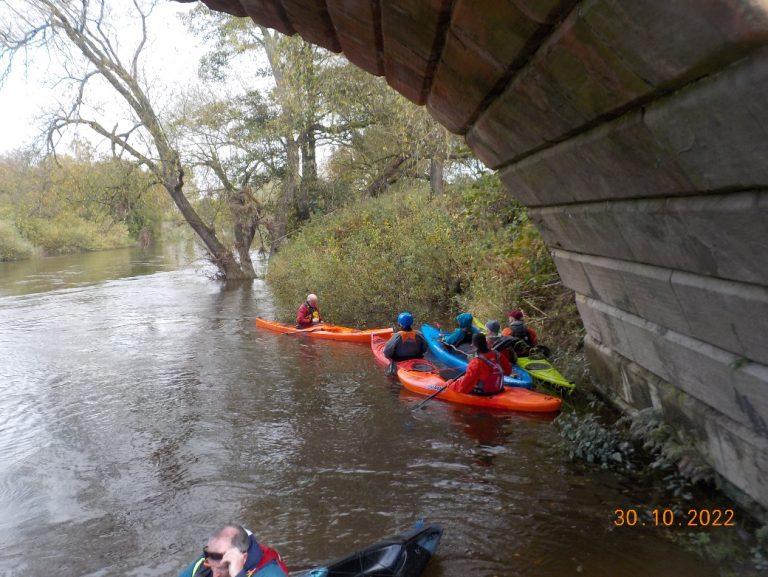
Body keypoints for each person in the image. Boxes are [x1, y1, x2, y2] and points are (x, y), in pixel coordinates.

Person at [179, 524, 289, 577]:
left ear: (243, 559)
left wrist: (238, 574)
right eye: (211, 567)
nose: (215, 575)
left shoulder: (271, 573)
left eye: (222, 568)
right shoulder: (211, 558)